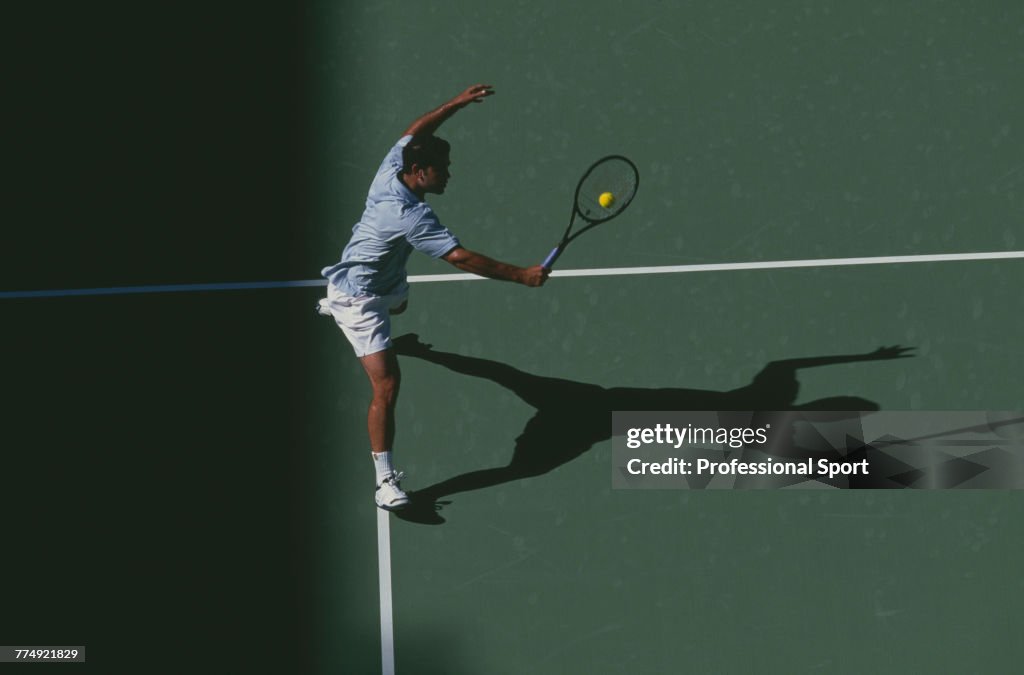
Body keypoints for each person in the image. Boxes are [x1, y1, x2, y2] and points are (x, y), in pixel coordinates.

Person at [318, 84, 549, 511]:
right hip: (360, 299)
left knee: (400, 302)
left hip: (385, 280)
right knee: (387, 385)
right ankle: (385, 483)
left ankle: (367, 315)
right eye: (441, 168)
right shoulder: (411, 215)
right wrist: (522, 276)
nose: (448, 175)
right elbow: (461, 258)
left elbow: (414, 129)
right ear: (420, 171)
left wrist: (454, 105)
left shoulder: (393, 166)